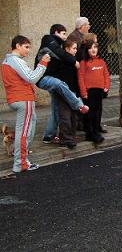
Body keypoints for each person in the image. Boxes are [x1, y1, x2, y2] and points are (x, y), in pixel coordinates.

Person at [1, 35, 50, 173]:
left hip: (17, 98)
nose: (28, 51)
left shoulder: (7, 61)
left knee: (27, 128)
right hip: (23, 99)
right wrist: (43, 63)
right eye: (26, 47)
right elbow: (31, 78)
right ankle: (21, 163)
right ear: (17, 46)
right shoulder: (16, 61)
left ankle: (20, 156)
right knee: (24, 133)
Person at [35, 24, 89, 144]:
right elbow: (60, 53)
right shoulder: (48, 40)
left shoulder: (59, 45)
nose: (65, 36)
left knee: (56, 109)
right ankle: (78, 104)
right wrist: (74, 61)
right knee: (60, 84)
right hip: (43, 78)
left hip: (52, 78)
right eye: (63, 33)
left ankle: (48, 136)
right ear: (56, 32)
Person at [78, 36, 110, 144]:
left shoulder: (101, 62)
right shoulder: (84, 62)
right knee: (89, 114)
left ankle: (96, 131)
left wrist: (106, 86)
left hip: (99, 91)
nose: (93, 50)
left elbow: (106, 75)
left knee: (97, 112)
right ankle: (90, 133)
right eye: (91, 48)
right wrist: (83, 92)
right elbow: (81, 78)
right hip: (89, 92)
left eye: (95, 47)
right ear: (87, 50)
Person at [55, 40, 80, 149]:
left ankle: (70, 137)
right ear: (66, 49)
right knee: (65, 115)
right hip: (65, 91)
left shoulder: (73, 61)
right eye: (74, 48)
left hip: (72, 91)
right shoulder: (64, 62)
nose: (75, 51)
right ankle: (66, 138)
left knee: (73, 115)